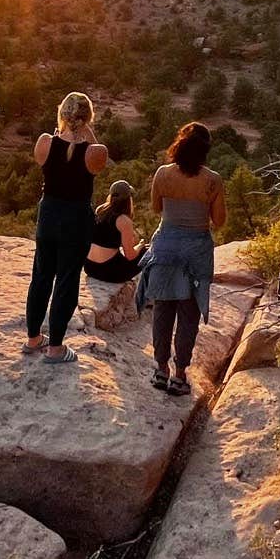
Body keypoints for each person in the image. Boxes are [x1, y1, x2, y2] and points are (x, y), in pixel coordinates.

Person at [135, 123, 226, 397]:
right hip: (195, 252)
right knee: (189, 315)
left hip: (165, 247)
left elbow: (156, 208)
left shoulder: (163, 174)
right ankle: (180, 375)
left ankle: (160, 370)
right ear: (205, 149)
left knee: (163, 310)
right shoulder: (212, 180)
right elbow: (219, 221)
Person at [22, 92, 111, 364]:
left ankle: (34, 338)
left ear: (61, 114)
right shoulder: (95, 152)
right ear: (88, 119)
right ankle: (56, 348)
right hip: (76, 219)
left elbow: (44, 161)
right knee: (67, 280)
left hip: (48, 214)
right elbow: (97, 161)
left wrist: (62, 129)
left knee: (41, 277)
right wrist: (85, 132)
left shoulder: (45, 142)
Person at [84, 179, 144, 286]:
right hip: (111, 272)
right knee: (147, 253)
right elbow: (130, 255)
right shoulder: (124, 220)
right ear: (128, 199)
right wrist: (140, 246)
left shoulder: (100, 210)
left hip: (90, 267)